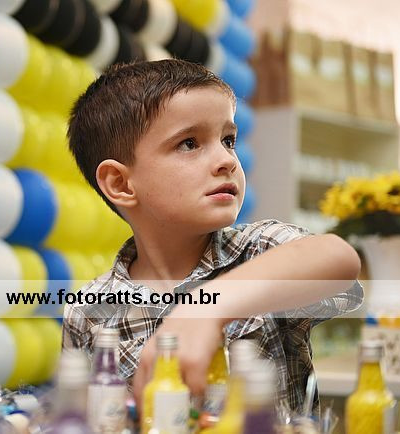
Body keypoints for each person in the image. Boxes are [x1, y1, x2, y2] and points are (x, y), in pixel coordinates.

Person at [61, 59, 363, 414]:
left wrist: (206, 308)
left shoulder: (259, 250)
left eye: (228, 140)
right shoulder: (88, 310)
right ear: (121, 183)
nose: (227, 160)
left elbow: (338, 258)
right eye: (189, 143)